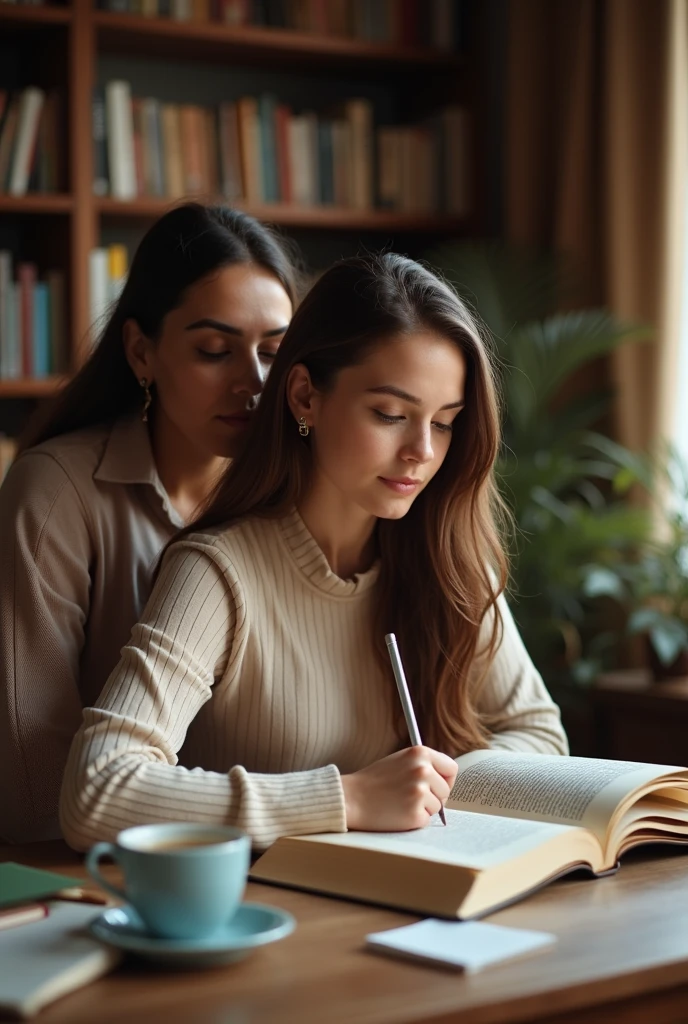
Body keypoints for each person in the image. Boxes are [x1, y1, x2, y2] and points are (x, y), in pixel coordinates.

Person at [60, 251, 568, 853]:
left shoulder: (451, 559)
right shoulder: (218, 572)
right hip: (267, 926)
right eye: (390, 414)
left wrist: (429, 788)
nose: (421, 452)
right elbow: (96, 789)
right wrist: (350, 798)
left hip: (417, 913)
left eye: (444, 422)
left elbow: (538, 735)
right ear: (304, 395)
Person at [0, 203, 297, 843]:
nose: (253, 383)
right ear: (141, 351)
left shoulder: (297, 491)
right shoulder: (57, 493)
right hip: (97, 869)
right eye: (215, 350)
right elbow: (31, 783)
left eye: (274, 352)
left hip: (282, 855)